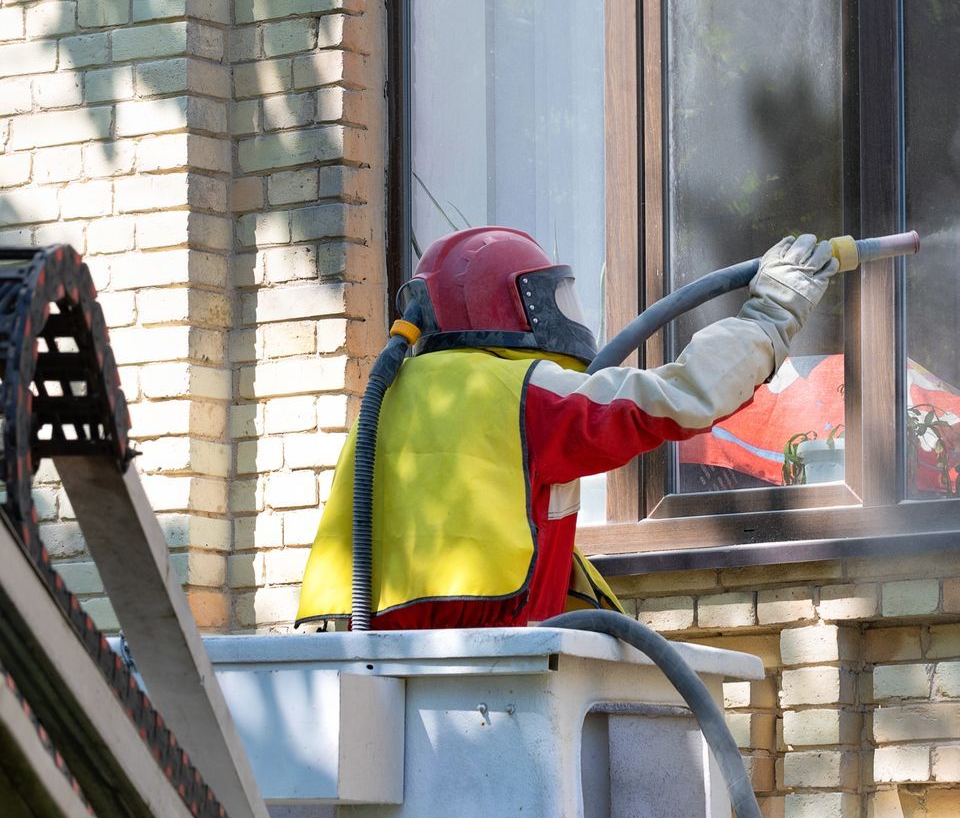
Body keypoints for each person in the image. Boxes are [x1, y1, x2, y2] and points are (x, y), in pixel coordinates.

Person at [296, 228, 837, 630]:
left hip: (367, 672)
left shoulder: (391, 399)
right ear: (508, 304)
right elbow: (679, 397)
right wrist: (772, 316)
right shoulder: (523, 392)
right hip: (491, 675)